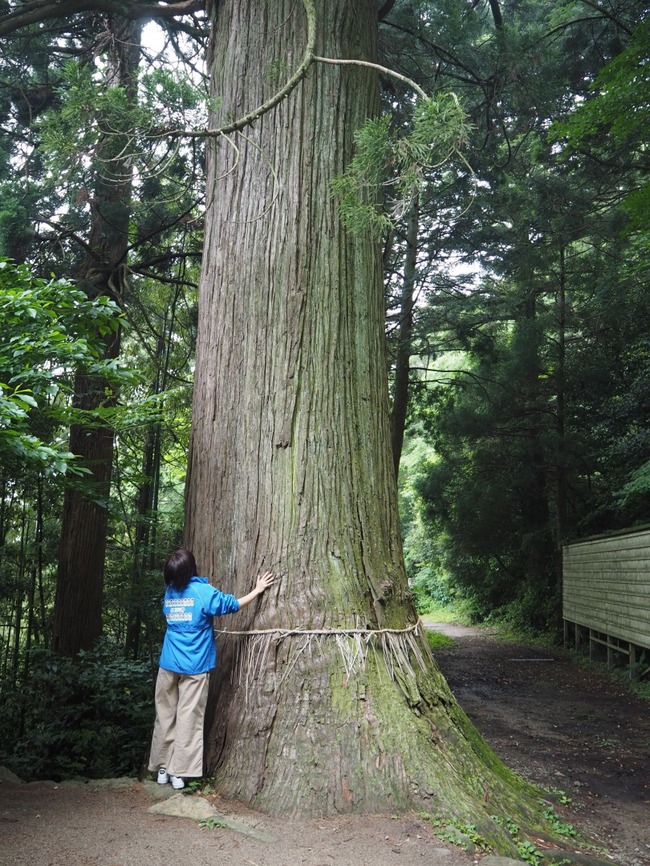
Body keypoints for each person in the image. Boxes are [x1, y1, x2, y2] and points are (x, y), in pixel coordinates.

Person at [148, 548, 274, 790]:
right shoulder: (202, 592)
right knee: (188, 718)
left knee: (164, 716)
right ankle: (179, 773)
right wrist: (257, 591)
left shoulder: (170, 593)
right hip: (194, 666)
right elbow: (231, 604)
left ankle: (162, 768)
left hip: (168, 665)